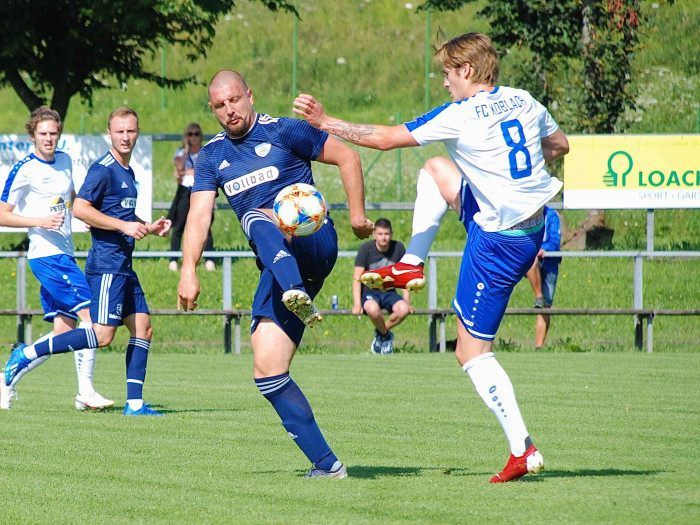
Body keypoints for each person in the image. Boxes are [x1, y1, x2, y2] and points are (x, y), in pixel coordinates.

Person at [293, 32, 570, 482]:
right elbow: (559, 147)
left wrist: (325, 121)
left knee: (470, 352)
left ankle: (523, 448)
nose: (444, 82)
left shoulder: (460, 115)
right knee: (437, 170)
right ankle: (412, 263)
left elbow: (382, 138)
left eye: (446, 73)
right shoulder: (523, 99)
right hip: (528, 224)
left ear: (466, 70)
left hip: (499, 241)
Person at [178, 70, 373, 478]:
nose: (229, 110)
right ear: (212, 110)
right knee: (267, 367)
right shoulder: (212, 156)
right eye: (219, 105)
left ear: (249, 94)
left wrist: (357, 217)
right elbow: (199, 213)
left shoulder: (285, 131)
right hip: (279, 264)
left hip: (314, 242)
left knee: (253, 213)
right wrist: (189, 269)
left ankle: (295, 291)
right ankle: (328, 465)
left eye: (234, 100)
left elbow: (348, 156)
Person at [4, 107, 172, 416]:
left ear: (137, 132)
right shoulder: (103, 169)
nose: (125, 137)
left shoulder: (127, 171)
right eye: (119, 131)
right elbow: (81, 208)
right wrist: (123, 227)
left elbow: (120, 216)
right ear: (109, 134)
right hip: (106, 266)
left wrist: (147, 226)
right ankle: (27, 355)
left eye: (131, 131)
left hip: (123, 265)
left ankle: (134, 404)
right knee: (101, 334)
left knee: (143, 328)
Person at [0, 106, 113, 411]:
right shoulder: (25, 169)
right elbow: (2, 215)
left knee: (64, 330)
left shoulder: (63, 160)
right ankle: (85, 392)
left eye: (53, 133)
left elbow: (72, 197)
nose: (49, 138)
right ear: (32, 135)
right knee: (93, 320)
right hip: (47, 257)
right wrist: (38, 221)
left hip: (64, 252)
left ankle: (7, 376)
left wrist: (84, 216)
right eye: (43, 134)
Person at [353, 218, 412, 355]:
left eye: (386, 234)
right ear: (374, 234)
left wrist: (407, 301)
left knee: (403, 309)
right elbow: (357, 278)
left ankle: (381, 332)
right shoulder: (365, 249)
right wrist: (357, 304)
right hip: (370, 292)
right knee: (372, 309)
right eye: (380, 234)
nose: (383, 237)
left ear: (391, 234)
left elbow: (404, 276)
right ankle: (386, 335)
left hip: (390, 292)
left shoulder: (398, 248)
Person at [167, 123, 216, 272]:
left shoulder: (205, 152)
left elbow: (208, 173)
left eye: (196, 134)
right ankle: (174, 259)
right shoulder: (181, 153)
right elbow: (179, 170)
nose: (193, 137)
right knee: (179, 225)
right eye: (190, 134)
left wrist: (189, 172)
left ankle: (209, 259)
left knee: (205, 226)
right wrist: (187, 150)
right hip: (184, 191)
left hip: (202, 191)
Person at [525, 205, 562, 349]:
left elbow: (555, 241)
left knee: (546, 306)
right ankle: (538, 294)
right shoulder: (525, 213)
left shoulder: (551, 215)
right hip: (531, 260)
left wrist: (543, 248)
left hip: (550, 262)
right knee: (531, 261)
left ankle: (539, 347)